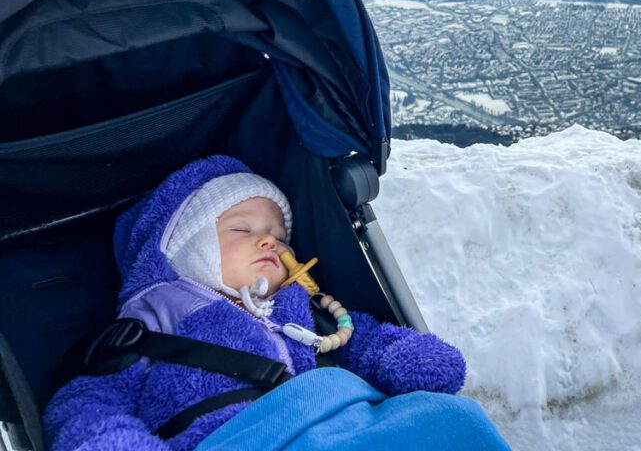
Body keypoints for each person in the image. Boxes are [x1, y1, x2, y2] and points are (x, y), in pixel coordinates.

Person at [43, 155, 468, 451]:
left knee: (453, 421)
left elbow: (366, 339)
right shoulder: (150, 325)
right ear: (183, 247)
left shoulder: (307, 311)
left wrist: (401, 354)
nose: (270, 241)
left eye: (280, 237)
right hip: (232, 437)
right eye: (242, 229)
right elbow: (88, 404)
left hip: (339, 424)